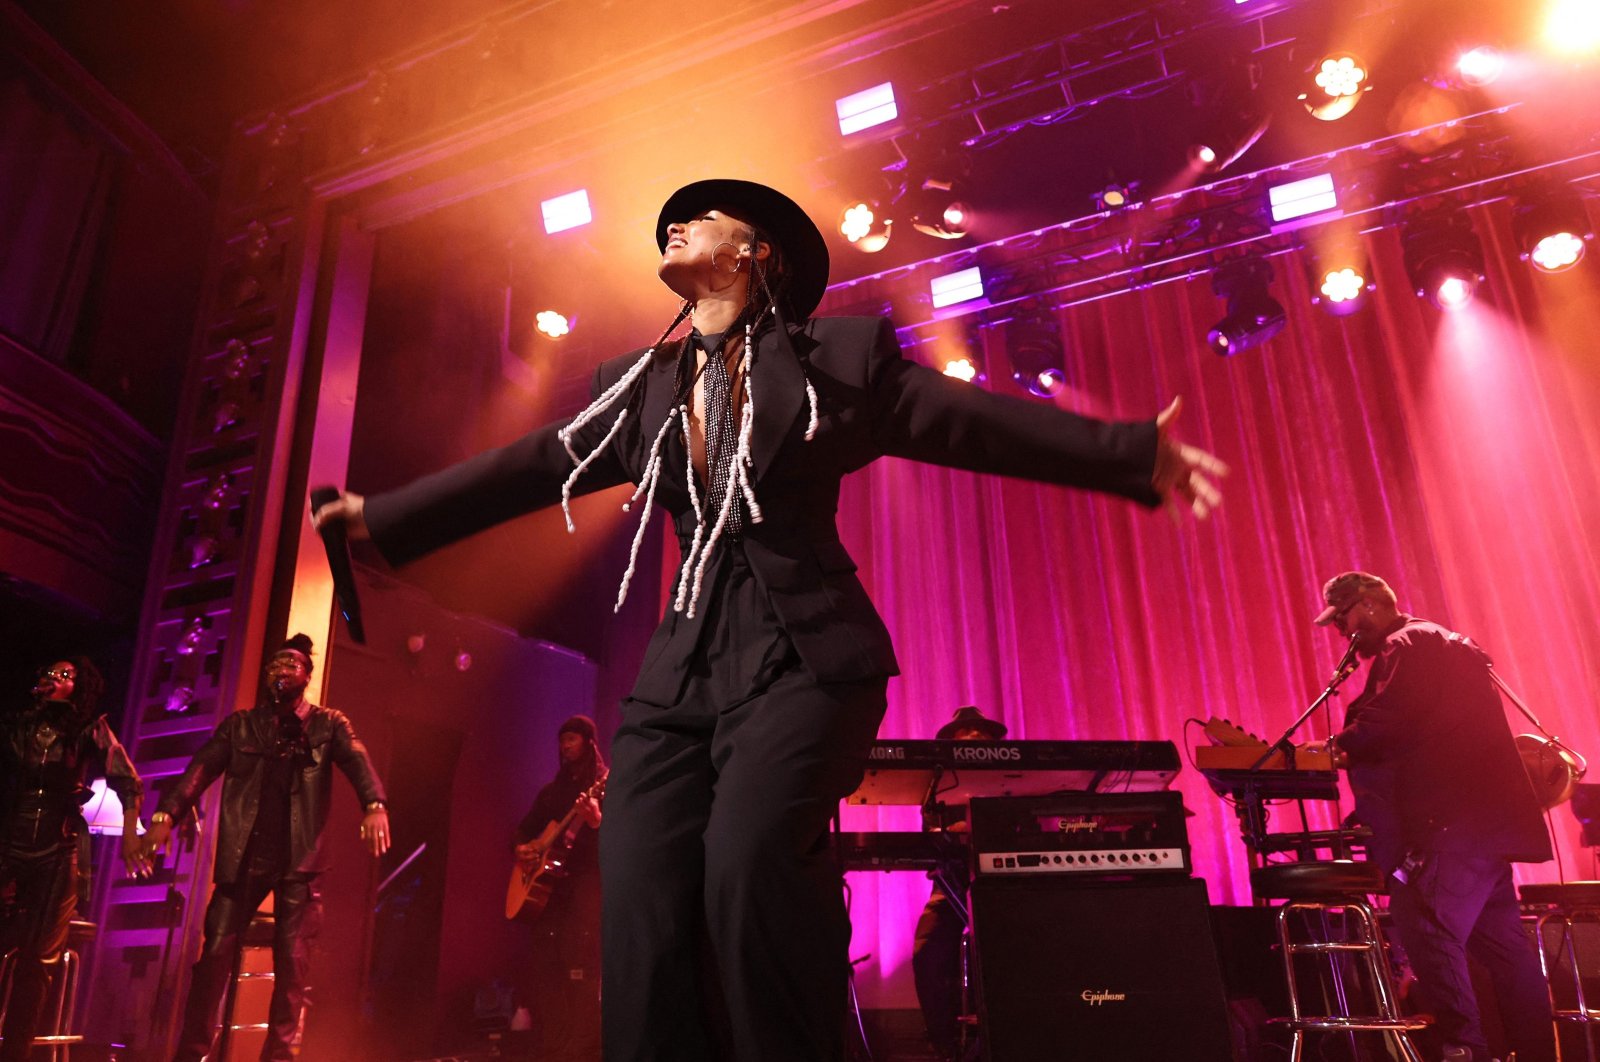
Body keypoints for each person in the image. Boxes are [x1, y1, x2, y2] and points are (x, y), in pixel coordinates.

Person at [312, 177, 1226, 1061]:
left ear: (754, 252)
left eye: (695, 219)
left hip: (802, 654)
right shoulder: (643, 386)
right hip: (682, 671)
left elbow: (963, 422)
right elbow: (528, 465)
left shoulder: (833, 361)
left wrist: (1130, 454)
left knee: (748, 865)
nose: (670, 227)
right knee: (638, 891)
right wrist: (383, 519)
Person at [1304, 572, 1556, 1062]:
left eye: (1344, 618)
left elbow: (1388, 721)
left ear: (1372, 604)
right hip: (1481, 831)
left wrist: (1337, 747)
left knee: (1428, 935)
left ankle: (1466, 1051)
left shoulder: (1408, 642)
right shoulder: (1440, 640)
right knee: (1507, 955)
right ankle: (1539, 1053)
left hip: (1448, 829)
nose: (1341, 632)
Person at [142, 634, 391, 1062]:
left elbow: (357, 761)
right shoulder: (240, 725)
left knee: (293, 966)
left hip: (300, 860)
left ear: (307, 676)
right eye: (274, 663)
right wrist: (165, 816)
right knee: (215, 954)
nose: (280, 670)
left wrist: (375, 805)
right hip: (244, 858)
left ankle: (277, 1056)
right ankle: (193, 1052)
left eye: (291, 664)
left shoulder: (328, 724)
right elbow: (200, 769)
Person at [1, 656, 147, 1062]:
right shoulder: (17, 724)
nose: (53, 677)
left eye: (65, 675)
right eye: (49, 672)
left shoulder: (88, 729)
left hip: (59, 848)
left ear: (78, 688)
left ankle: (14, 1053)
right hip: (8, 844)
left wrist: (132, 836)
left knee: (39, 962)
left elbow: (125, 777)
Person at [913, 705, 1006, 1062]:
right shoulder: (938, 784)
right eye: (965, 735)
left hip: (1004, 888)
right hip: (951, 887)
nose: (973, 740)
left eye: (980, 735)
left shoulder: (1014, 777)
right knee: (928, 952)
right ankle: (944, 1044)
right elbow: (932, 835)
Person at [511, 714, 606, 1061]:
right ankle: (556, 1045)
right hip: (550, 895)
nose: (565, 746)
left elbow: (619, 841)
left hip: (585, 887)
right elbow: (524, 829)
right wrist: (521, 848)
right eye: (562, 740)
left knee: (581, 967)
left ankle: (587, 1048)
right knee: (546, 966)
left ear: (589, 743)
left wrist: (597, 822)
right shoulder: (552, 793)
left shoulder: (605, 785)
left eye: (573, 739)